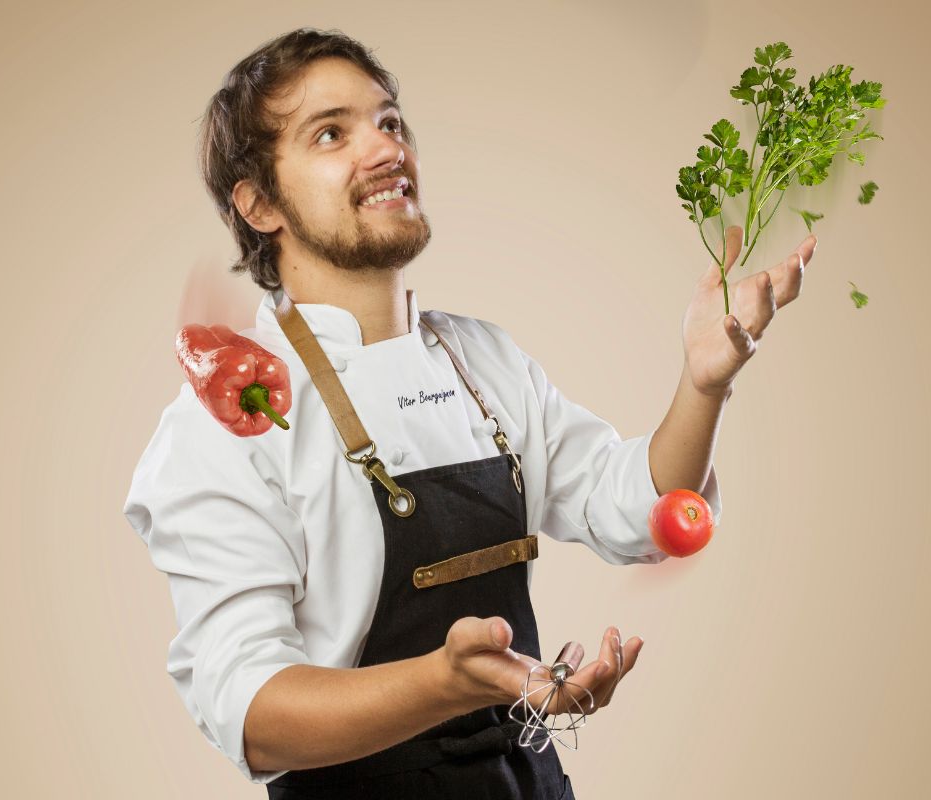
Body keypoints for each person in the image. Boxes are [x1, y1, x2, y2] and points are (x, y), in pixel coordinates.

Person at [121, 27, 817, 800]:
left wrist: (704, 383)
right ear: (258, 204)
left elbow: (641, 512)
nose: (386, 149)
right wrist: (450, 682)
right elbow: (251, 711)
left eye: (389, 122)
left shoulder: (481, 357)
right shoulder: (232, 414)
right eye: (331, 133)